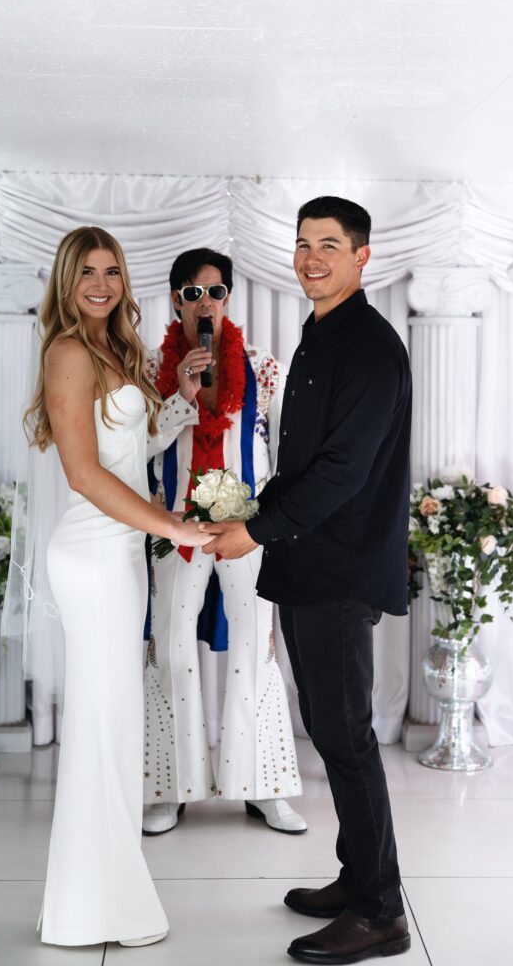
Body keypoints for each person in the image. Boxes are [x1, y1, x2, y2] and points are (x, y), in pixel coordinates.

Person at [201, 197, 413, 964]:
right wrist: (258, 512)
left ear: (362, 256)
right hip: (308, 560)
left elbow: (344, 470)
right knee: (329, 729)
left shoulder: (369, 348)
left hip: (340, 565)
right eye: (301, 245)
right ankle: (357, 875)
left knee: (346, 738)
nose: (311, 257)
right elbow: (303, 460)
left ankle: (379, 911)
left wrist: (252, 528)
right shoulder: (320, 334)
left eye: (329, 245)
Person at [22, 226, 203, 947]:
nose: (101, 283)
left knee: (114, 725)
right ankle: (90, 906)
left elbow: (127, 452)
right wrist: (174, 528)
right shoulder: (68, 351)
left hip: (121, 554)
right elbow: (84, 475)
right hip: (94, 557)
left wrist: (178, 399)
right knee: (101, 727)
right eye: (86, 272)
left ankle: (97, 898)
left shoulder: (113, 350)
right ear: (66, 281)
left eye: (112, 271)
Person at [142, 247, 306, 837]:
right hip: (174, 528)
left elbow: (286, 455)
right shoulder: (150, 369)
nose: (203, 303)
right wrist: (181, 395)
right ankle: (170, 785)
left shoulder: (263, 367)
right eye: (191, 293)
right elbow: (138, 452)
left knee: (255, 649)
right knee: (171, 648)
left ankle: (260, 786)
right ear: (175, 300)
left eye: (213, 291)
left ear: (229, 297)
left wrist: (274, 521)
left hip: (246, 527)